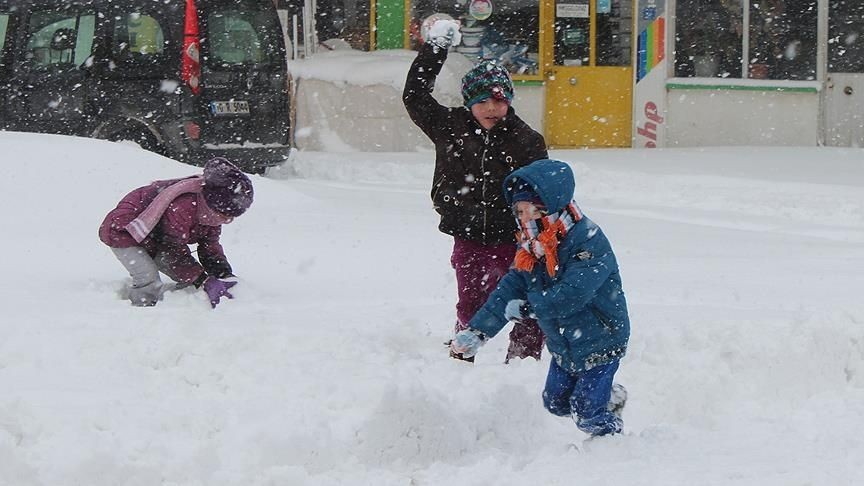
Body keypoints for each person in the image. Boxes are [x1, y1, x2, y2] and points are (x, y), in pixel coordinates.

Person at [403, 18, 549, 363]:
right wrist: (435, 48)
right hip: (467, 232)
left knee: (525, 303)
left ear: (509, 101)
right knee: (471, 300)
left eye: (499, 101)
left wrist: (541, 237)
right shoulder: (449, 127)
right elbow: (415, 95)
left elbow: (543, 193)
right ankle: (462, 356)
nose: (491, 108)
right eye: (482, 101)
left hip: (515, 237)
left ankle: (523, 364)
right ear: (469, 101)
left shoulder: (526, 140)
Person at [450, 159, 630, 436]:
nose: (521, 217)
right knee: (555, 403)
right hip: (563, 342)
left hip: (600, 338)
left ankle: (613, 436)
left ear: (547, 205)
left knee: (586, 413)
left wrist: (529, 309)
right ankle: (608, 397)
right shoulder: (532, 244)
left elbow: (574, 293)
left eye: (527, 210)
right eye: (518, 211)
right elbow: (509, 289)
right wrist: (477, 332)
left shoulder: (587, 240)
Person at [99, 157, 253, 308]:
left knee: (188, 279)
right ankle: (141, 310)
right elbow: (172, 251)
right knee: (148, 278)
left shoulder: (211, 214)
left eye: (232, 216)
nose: (228, 221)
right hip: (125, 232)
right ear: (214, 205)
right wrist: (202, 280)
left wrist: (224, 273)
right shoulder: (184, 206)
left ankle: (178, 303)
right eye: (226, 215)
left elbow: (209, 245)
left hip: (156, 239)